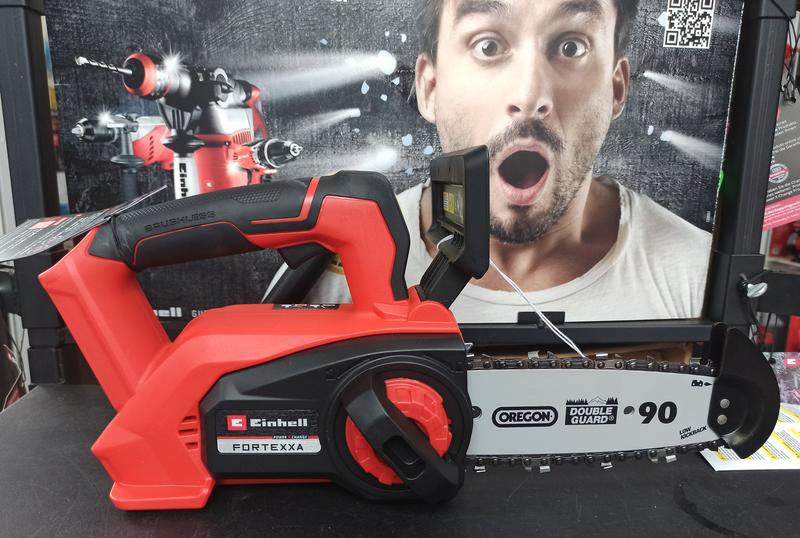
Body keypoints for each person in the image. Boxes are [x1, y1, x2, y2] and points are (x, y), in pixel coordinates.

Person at [292, 0, 712, 322]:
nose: (529, 96)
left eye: (571, 46)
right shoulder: (329, 275)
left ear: (616, 90)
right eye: (488, 46)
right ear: (430, 88)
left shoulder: (698, 277)